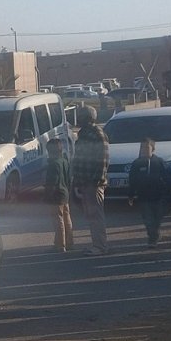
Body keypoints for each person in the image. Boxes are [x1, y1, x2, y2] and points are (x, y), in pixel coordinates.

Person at [71, 105, 110, 256]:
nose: (78, 119)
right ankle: (96, 244)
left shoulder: (97, 134)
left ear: (88, 118)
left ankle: (100, 246)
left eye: (81, 116)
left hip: (94, 183)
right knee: (90, 215)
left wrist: (96, 181)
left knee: (96, 215)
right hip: (84, 182)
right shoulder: (84, 134)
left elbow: (103, 160)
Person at [127, 138, 171, 248]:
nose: (144, 150)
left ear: (153, 149)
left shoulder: (159, 162)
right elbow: (132, 180)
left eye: (147, 147)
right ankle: (152, 238)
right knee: (148, 219)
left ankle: (155, 233)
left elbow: (168, 177)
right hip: (144, 197)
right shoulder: (137, 164)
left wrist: (170, 191)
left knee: (157, 218)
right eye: (142, 147)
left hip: (158, 196)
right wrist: (131, 195)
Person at [43, 137, 72, 252]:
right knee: (66, 218)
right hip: (65, 193)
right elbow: (69, 178)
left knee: (58, 220)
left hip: (56, 195)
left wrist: (47, 195)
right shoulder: (65, 161)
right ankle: (69, 242)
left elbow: (52, 182)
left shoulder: (53, 164)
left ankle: (61, 244)